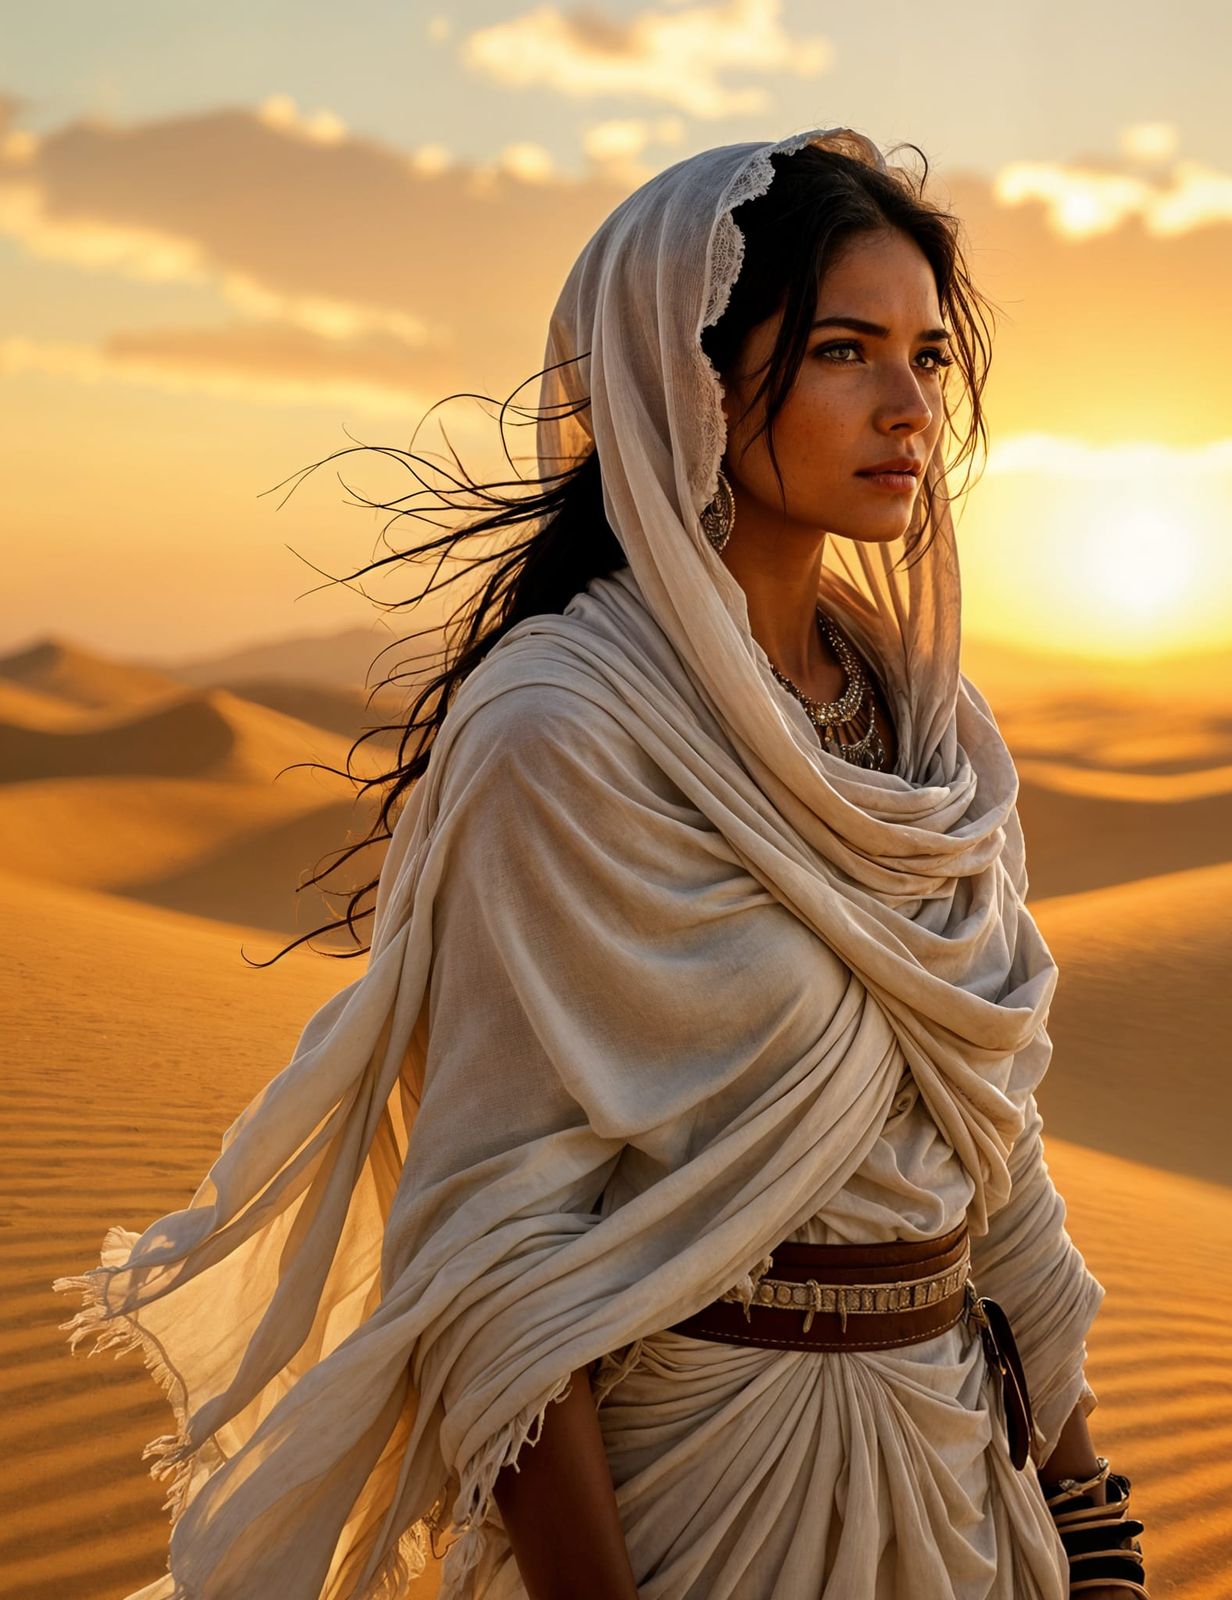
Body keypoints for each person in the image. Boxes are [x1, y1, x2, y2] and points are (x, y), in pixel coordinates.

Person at [52, 128, 1149, 1599]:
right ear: (685, 375)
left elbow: (990, 1154)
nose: (909, 409)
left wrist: (1090, 1522)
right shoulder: (561, 731)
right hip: (697, 1503)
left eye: (929, 357)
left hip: (961, 1492)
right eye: (843, 351)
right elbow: (491, 1258)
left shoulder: (932, 735)